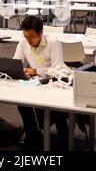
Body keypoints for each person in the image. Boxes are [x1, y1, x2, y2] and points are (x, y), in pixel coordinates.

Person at [13, 16, 69, 151]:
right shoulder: (24, 42)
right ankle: (33, 137)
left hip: (55, 83)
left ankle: (65, 140)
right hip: (36, 83)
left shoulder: (53, 42)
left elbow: (58, 68)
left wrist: (36, 71)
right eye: (26, 36)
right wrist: (16, 69)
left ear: (41, 33)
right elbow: (16, 61)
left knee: (57, 109)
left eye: (31, 37)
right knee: (22, 104)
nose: (28, 40)